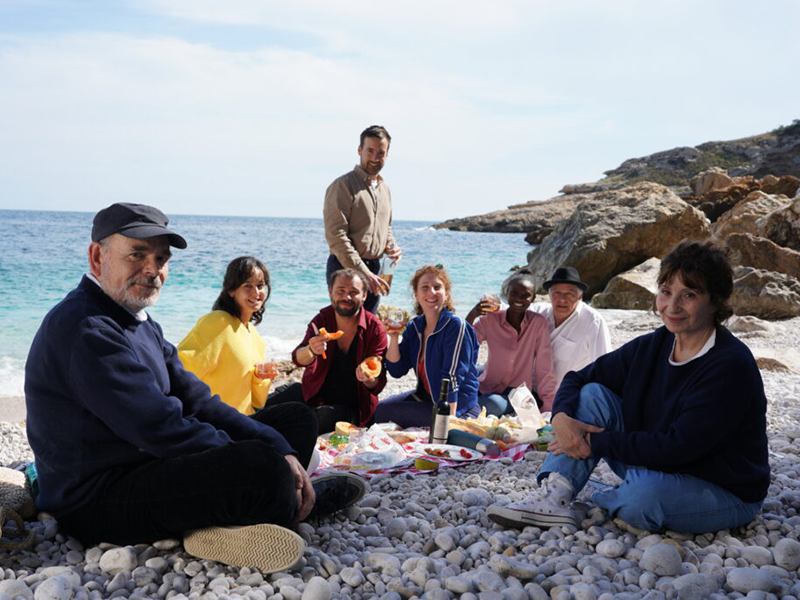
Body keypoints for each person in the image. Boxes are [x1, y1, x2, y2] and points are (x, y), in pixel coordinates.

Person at [24, 203, 364, 574]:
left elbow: (199, 400)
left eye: (161, 258)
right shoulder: (86, 328)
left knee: (296, 421)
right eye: (137, 254)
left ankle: (228, 517)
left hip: (147, 461)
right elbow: (161, 425)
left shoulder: (137, 319)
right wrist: (265, 457)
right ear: (96, 257)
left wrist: (280, 448)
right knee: (262, 467)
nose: (152, 269)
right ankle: (278, 508)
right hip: (97, 498)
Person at [487, 240, 769, 534]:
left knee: (644, 497)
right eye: (666, 292)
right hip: (656, 464)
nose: (672, 306)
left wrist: (591, 441)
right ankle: (556, 496)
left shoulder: (728, 365)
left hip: (721, 486)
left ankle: (600, 498)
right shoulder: (654, 345)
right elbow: (577, 379)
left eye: (689, 295)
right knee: (593, 394)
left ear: (716, 301)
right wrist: (561, 420)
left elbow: (680, 448)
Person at [268, 269, 387, 433]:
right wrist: (311, 349)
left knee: (317, 419)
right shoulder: (322, 320)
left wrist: (367, 379)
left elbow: (378, 384)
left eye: (354, 292)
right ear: (330, 292)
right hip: (315, 395)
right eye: (341, 291)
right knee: (272, 402)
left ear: (364, 295)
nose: (347, 297)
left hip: (352, 407)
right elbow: (298, 359)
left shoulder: (374, 328)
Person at [375, 265, 480, 427]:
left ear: (446, 294)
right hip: (427, 398)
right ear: (416, 294)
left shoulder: (456, 326)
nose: (431, 292)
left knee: (386, 414)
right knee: (380, 410)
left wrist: (447, 422)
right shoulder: (415, 327)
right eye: (425, 287)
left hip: (457, 406)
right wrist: (394, 338)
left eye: (437, 287)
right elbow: (397, 371)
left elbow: (452, 376)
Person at [178, 256, 274, 416]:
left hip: (245, 420)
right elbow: (181, 372)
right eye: (247, 286)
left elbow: (258, 401)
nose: (256, 292)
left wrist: (259, 377)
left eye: (260, 285)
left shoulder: (256, 338)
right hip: (215, 424)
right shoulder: (218, 322)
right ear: (231, 290)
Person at [324, 125, 402, 314]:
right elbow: (336, 237)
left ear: (387, 154)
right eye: (370, 151)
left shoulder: (385, 189)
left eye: (381, 153)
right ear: (360, 150)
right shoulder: (343, 185)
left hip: (375, 269)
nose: (375, 158)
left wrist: (392, 246)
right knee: (346, 331)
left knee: (367, 330)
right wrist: (364, 273)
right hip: (345, 268)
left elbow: (386, 228)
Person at [467, 272, 558, 415]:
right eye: (514, 293)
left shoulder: (538, 324)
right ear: (506, 294)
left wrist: (548, 406)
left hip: (516, 393)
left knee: (490, 404)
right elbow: (464, 342)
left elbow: (544, 367)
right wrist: (473, 314)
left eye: (525, 295)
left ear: (533, 298)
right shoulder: (491, 319)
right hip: (487, 384)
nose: (519, 299)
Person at [530, 266, 611, 386]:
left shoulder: (593, 322)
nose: (562, 299)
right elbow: (509, 310)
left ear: (580, 297)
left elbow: (604, 366)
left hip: (566, 397)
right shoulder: (539, 312)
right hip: (530, 391)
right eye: (557, 293)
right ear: (550, 295)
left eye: (569, 294)